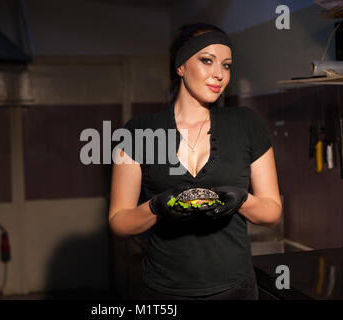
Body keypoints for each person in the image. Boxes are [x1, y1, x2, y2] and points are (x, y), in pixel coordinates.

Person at [108, 23, 282, 300]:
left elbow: (272, 212)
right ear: (180, 66)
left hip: (235, 290)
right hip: (165, 292)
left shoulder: (246, 123)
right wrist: (156, 207)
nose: (219, 74)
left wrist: (242, 199)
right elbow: (119, 222)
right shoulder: (139, 131)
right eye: (207, 61)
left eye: (226, 65)